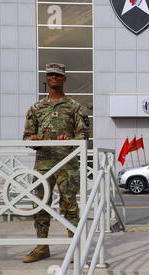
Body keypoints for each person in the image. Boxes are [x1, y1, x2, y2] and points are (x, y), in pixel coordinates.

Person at [22, 63, 90, 263]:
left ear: (64, 79)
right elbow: (26, 137)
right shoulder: (36, 108)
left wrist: (69, 140)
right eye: (50, 75)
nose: (54, 78)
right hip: (43, 164)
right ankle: (42, 246)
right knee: (40, 206)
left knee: (69, 207)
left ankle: (74, 247)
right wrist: (32, 140)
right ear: (46, 78)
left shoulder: (76, 107)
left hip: (67, 166)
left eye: (58, 75)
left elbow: (84, 137)